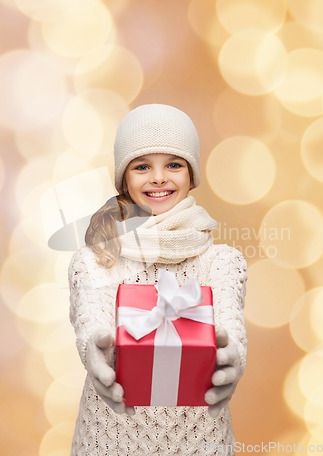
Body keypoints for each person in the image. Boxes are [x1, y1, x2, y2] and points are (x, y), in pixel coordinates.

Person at [68, 104, 247, 455]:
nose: (159, 178)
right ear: (124, 178)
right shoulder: (94, 260)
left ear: (192, 175)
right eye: (142, 166)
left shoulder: (222, 261)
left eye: (174, 164)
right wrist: (94, 348)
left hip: (201, 443)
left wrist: (234, 357)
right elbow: (90, 321)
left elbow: (231, 327)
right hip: (109, 442)